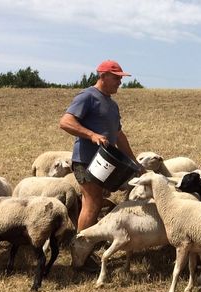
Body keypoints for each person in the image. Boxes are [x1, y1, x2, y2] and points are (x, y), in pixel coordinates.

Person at [60, 60, 143, 233]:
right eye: (116, 78)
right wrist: (91, 135)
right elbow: (66, 122)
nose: (120, 82)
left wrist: (135, 162)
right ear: (103, 76)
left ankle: (89, 240)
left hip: (105, 162)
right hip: (86, 161)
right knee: (92, 202)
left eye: (121, 78)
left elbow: (119, 135)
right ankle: (81, 247)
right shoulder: (87, 96)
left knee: (96, 202)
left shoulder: (112, 104)